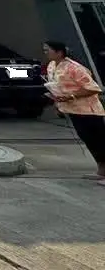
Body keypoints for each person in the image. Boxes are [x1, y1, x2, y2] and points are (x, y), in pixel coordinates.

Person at [43, 40, 105, 184]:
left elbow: (93, 88)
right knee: (89, 141)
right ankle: (101, 170)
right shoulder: (52, 66)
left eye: (48, 50)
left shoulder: (74, 68)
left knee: (99, 141)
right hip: (72, 109)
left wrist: (71, 96)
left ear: (59, 52)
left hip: (89, 110)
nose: (45, 53)